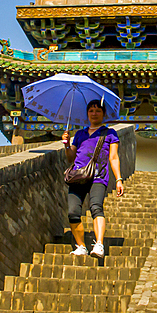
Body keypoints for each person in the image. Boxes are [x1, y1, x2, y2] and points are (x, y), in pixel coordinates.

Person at [62, 99, 124, 257]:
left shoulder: (110, 133)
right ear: (87, 114)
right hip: (77, 175)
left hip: (98, 176)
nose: (94, 113)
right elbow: (71, 157)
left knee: (96, 207)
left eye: (97, 110)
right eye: (91, 110)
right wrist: (67, 144)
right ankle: (81, 246)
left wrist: (118, 179)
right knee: (73, 212)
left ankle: (99, 244)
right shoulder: (80, 134)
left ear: (103, 114)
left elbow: (114, 157)